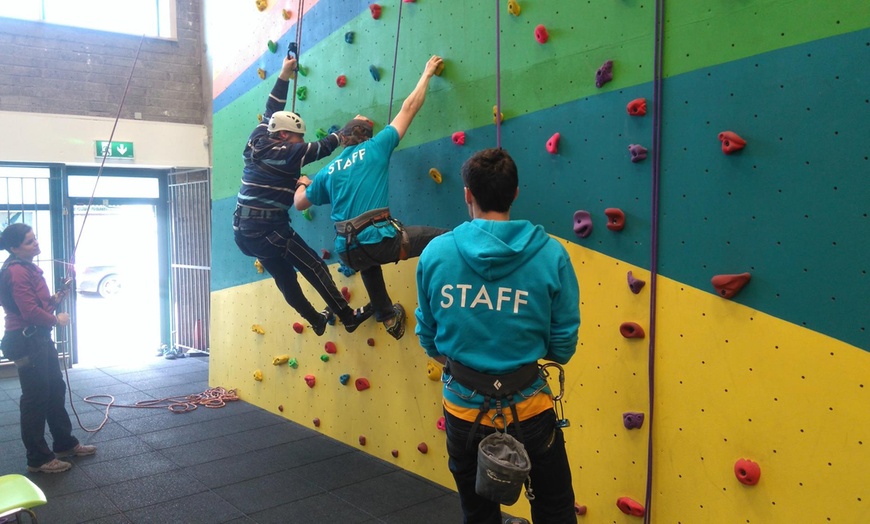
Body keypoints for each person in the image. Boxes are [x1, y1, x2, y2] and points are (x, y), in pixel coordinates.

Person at [414, 148, 581, 524]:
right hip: (531, 410)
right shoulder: (551, 255)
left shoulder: (436, 254)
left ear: (467, 194)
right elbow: (563, 344)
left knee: (478, 512)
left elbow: (428, 335)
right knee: (554, 507)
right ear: (516, 192)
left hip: (462, 408)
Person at [294, 55, 446, 340]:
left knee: (364, 257)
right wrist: (426, 73)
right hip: (379, 242)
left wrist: (302, 183)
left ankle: (387, 317)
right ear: (365, 136)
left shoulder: (328, 171)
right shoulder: (376, 146)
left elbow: (299, 203)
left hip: (348, 252)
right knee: (443, 238)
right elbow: (409, 107)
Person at [234, 56, 373, 335]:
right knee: (313, 266)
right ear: (285, 137)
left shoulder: (258, 137)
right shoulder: (287, 152)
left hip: (244, 231)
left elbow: (272, 107)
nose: (301, 142)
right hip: (267, 229)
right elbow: (326, 145)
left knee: (286, 278)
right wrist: (354, 127)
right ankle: (347, 316)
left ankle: (316, 320)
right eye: (298, 137)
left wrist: (284, 74)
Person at [0, 223, 96, 473]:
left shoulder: (25, 268)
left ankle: (64, 443)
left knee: (55, 390)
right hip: (26, 341)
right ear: (14, 247)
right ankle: (38, 459)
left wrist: (54, 300)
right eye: (30, 242)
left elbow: (36, 305)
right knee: (35, 399)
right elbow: (29, 312)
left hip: (37, 339)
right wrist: (57, 319)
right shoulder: (17, 271)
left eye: (35, 239)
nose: (37, 244)